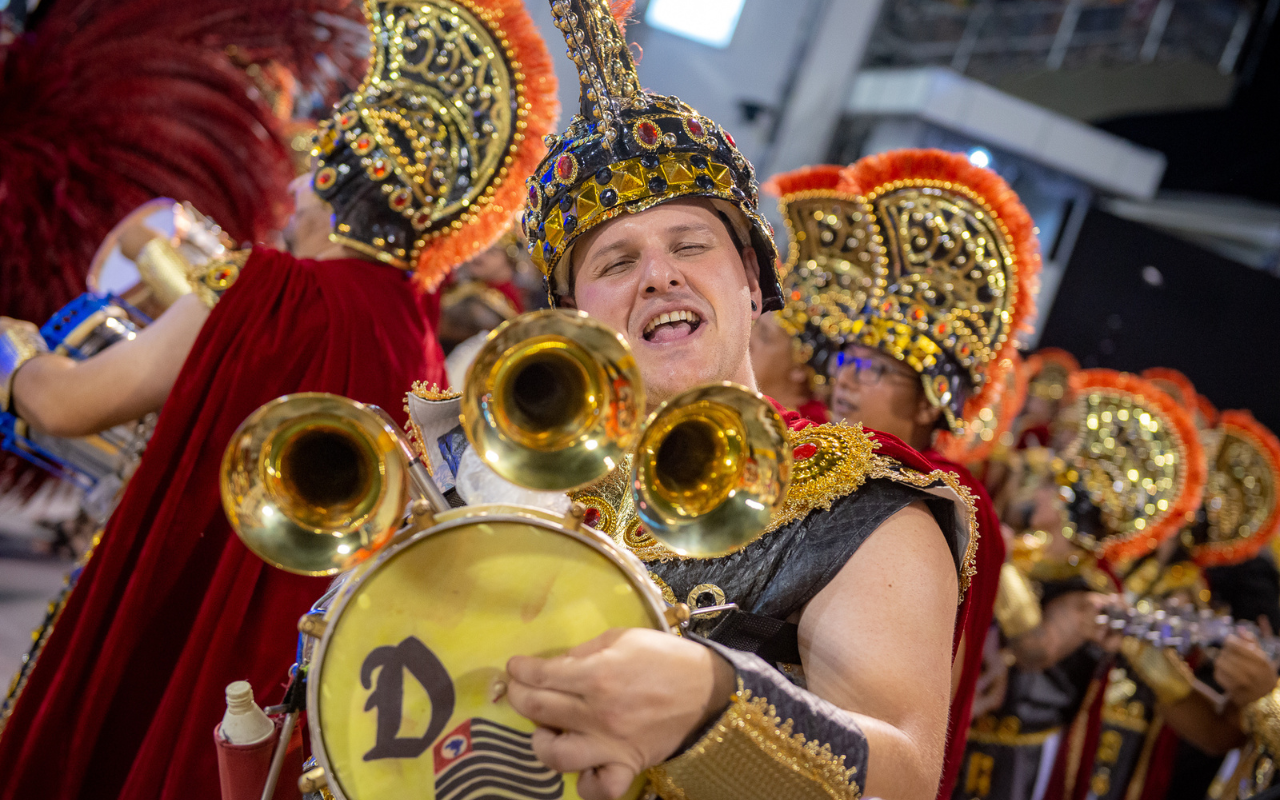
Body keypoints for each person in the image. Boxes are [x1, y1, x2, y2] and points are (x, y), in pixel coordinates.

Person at [412, 3, 979, 798]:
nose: (658, 275)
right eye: (615, 262)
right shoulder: (483, 465)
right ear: (573, 319)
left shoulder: (862, 509)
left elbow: (903, 780)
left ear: (752, 282)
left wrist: (716, 702)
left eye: (689, 245)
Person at [0, 1, 557, 797]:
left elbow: (69, 406)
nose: (291, 187)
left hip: (192, 632)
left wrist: (15, 356)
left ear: (331, 180)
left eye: (310, 164)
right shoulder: (419, 334)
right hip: (302, 681)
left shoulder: (270, 287)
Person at [762, 151, 1045, 800]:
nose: (844, 379)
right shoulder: (821, 441)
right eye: (845, 361)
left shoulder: (954, 495)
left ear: (927, 403)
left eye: (873, 370)